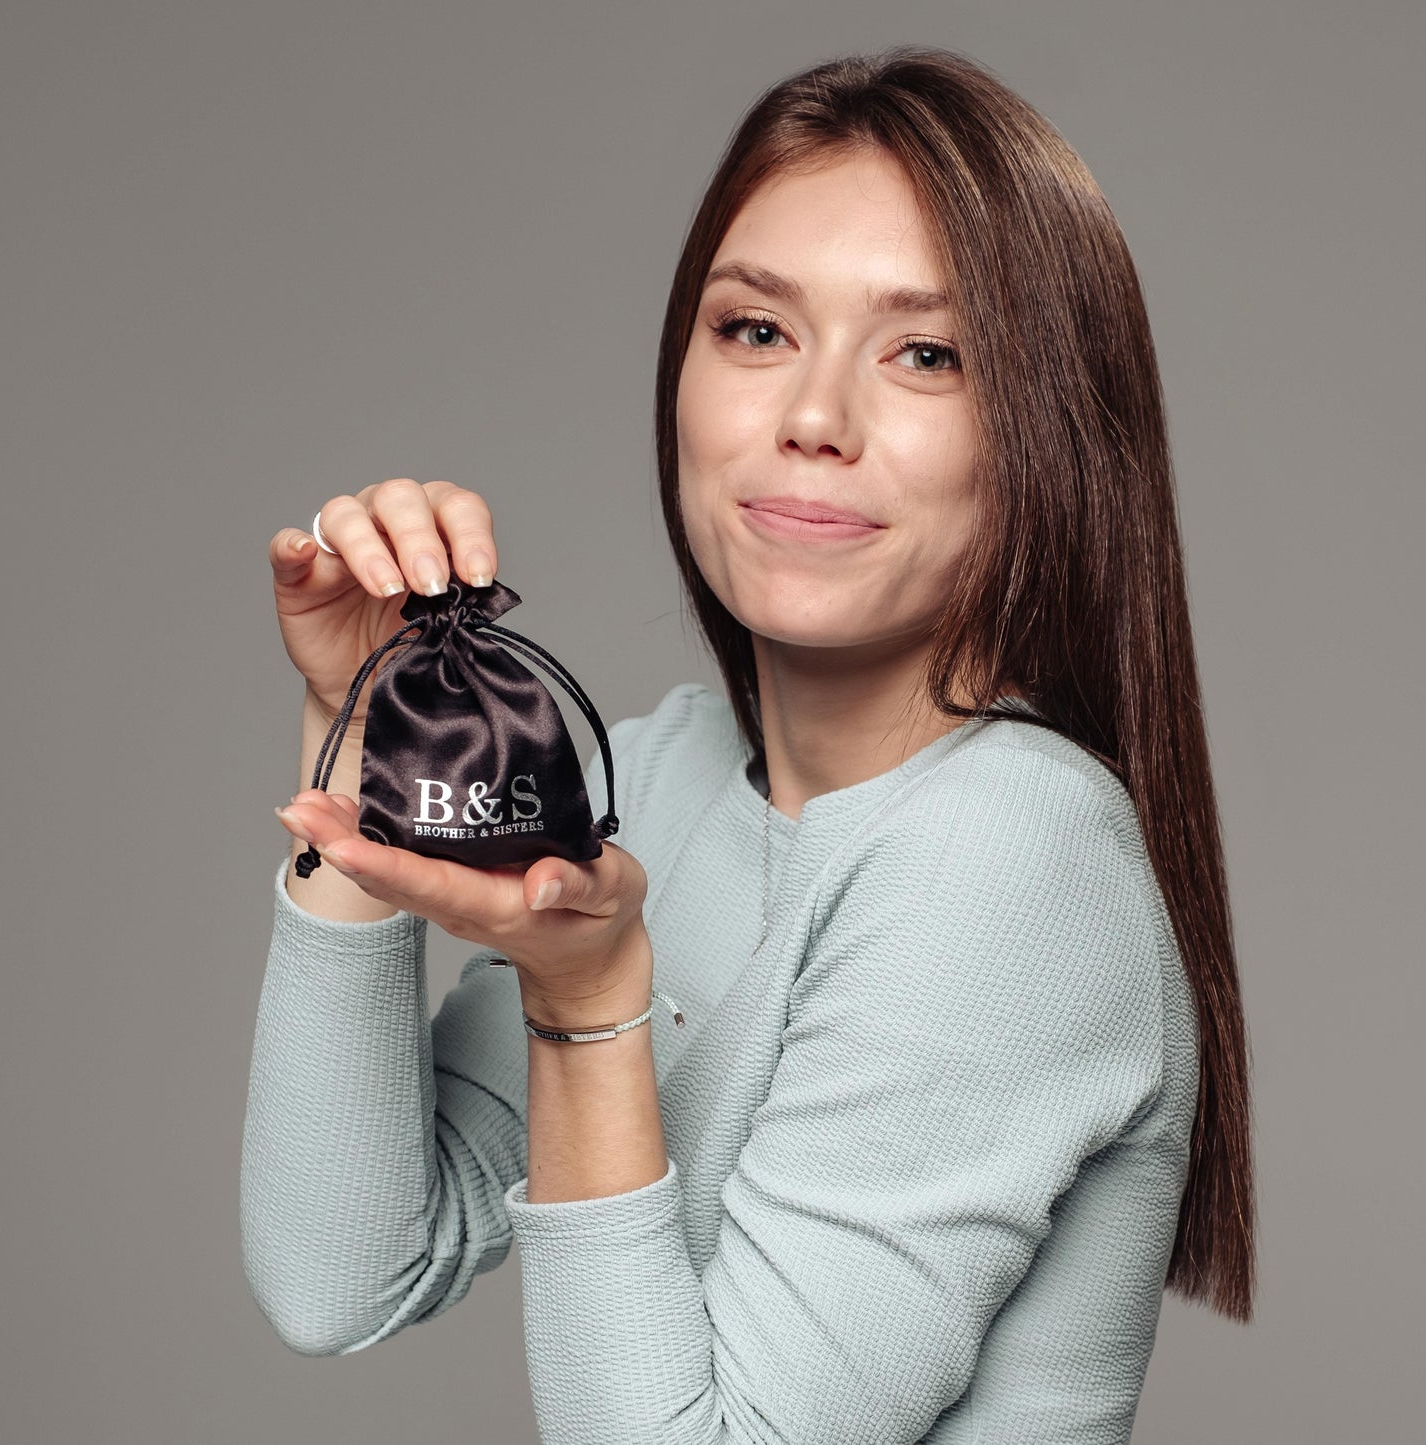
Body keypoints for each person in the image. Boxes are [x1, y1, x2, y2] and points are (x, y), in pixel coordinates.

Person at [240, 45, 1255, 1443]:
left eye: (926, 353)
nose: (811, 421)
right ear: (679, 372)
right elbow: (341, 1270)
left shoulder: (1011, 854)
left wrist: (590, 1004)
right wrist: (365, 739)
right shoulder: (658, 778)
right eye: (756, 330)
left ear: (1045, 438)